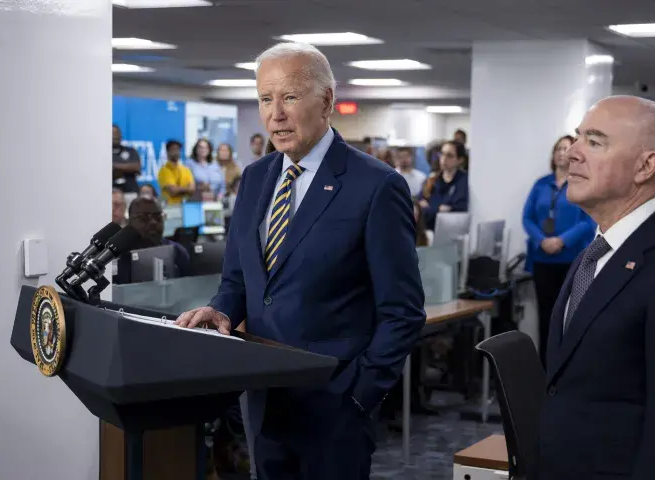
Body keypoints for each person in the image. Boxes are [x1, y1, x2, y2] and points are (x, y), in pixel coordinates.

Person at [175, 41, 425, 480]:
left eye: (289, 96)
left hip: (335, 409)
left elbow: (402, 312)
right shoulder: (254, 179)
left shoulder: (376, 185)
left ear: (326, 100)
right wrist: (220, 309)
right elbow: (237, 280)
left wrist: (360, 396)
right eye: (265, 99)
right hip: (264, 403)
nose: (275, 114)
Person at [537, 96, 655, 480]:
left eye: (594, 142)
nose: (571, 154)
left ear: (645, 165)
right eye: (577, 138)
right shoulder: (595, 252)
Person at [522, 135, 595, 366]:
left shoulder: (583, 182)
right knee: (546, 316)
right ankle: (545, 368)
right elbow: (527, 217)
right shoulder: (541, 184)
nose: (562, 152)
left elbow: (588, 220)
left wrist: (561, 241)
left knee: (570, 317)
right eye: (558, 148)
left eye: (567, 148)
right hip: (542, 259)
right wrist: (542, 241)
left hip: (571, 259)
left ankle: (567, 368)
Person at [114, 195, 191, 283]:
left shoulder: (177, 252)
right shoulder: (118, 256)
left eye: (158, 217)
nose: (153, 222)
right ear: (129, 222)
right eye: (144, 218)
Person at [418, 140, 469, 230]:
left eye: (449, 156)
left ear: (460, 160)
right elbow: (419, 207)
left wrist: (429, 209)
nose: (444, 158)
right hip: (428, 232)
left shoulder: (464, 181)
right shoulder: (432, 180)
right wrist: (440, 209)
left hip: (451, 232)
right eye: (442, 154)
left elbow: (458, 210)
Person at [157, 139, 195, 204]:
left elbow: (192, 190)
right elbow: (172, 191)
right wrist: (186, 189)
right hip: (170, 207)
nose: (176, 152)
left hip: (185, 207)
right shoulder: (164, 170)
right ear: (167, 152)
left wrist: (178, 189)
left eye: (178, 149)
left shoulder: (186, 170)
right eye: (173, 149)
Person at [112, 124, 141, 194]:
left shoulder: (131, 151)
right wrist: (126, 167)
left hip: (130, 191)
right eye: (113, 133)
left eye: (117, 133)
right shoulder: (102, 153)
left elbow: (136, 167)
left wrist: (114, 165)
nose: (115, 136)